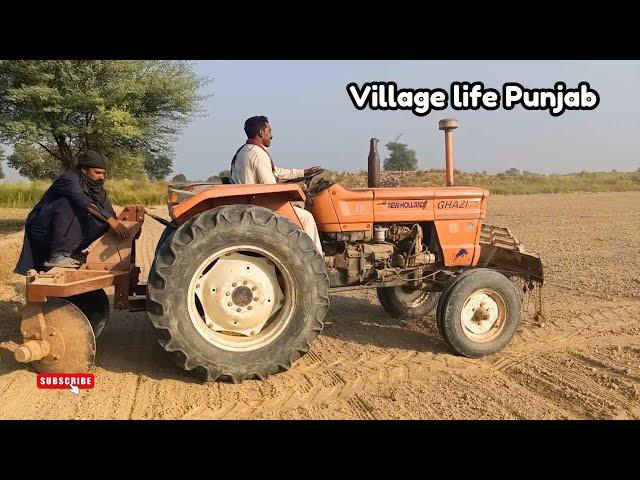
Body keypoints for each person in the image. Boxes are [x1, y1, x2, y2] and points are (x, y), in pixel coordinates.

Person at [14, 150, 129, 275]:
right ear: (84, 170)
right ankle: (59, 255)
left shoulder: (97, 188)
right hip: (43, 226)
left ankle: (72, 252)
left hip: (60, 231)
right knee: (70, 203)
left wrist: (124, 229)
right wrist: (111, 220)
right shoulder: (69, 179)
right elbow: (83, 201)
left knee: (106, 220)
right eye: (98, 173)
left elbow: (109, 213)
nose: (102, 177)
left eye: (103, 173)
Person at [229, 116, 323, 254]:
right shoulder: (257, 154)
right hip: (259, 205)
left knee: (298, 209)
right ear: (261, 132)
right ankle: (315, 258)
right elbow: (270, 186)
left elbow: (276, 172)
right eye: (269, 131)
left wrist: (304, 172)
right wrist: (298, 188)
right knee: (306, 218)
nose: (271, 135)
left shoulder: (244, 150)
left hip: (248, 201)